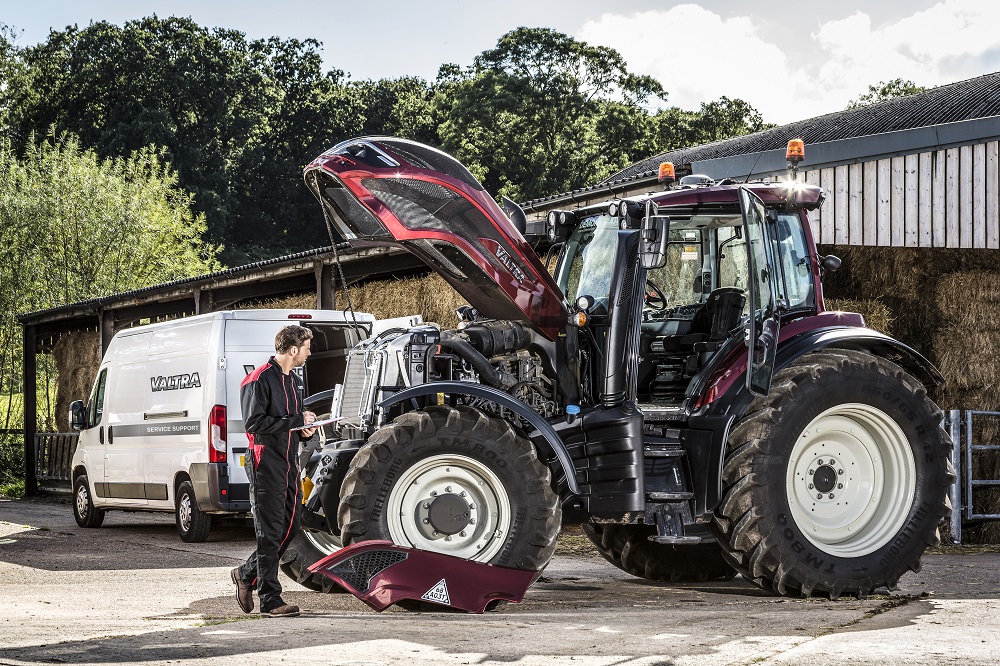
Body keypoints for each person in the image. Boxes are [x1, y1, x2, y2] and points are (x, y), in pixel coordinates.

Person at [231, 325, 317, 617]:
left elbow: (290, 423)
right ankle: (270, 599)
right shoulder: (257, 380)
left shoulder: (295, 381)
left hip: (289, 460)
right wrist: (295, 420)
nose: (309, 351)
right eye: (307, 346)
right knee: (269, 533)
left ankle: (245, 574)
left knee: (290, 528)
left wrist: (304, 430)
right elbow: (254, 424)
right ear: (293, 350)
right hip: (264, 462)